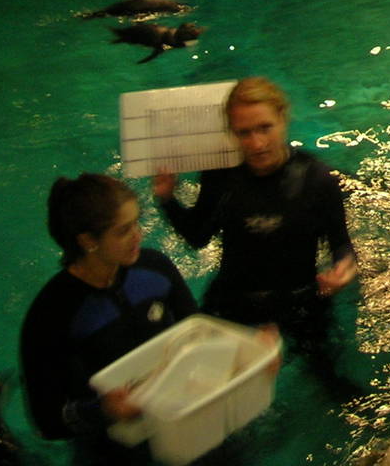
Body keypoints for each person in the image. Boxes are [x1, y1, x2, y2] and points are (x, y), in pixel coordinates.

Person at [153, 77, 357, 348]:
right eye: (244, 133)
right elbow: (198, 236)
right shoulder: (221, 176)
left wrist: (344, 269)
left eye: (265, 128)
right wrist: (168, 199)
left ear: (283, 119)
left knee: (330, 381)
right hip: (233, 301)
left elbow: (340, 243)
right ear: (232, 132)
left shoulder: (316, 178)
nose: (257, 143)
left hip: (300, 301)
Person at [20, 173, 196, 455]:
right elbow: (48, 422)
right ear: (88, 240)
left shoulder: (155, 269)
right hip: (112, 446)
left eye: (136, 223)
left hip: (181, 417)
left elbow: (199, 335)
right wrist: (102, 410)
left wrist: (246, 356)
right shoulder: (53, 314)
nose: (139, 235)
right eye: (124, 230)